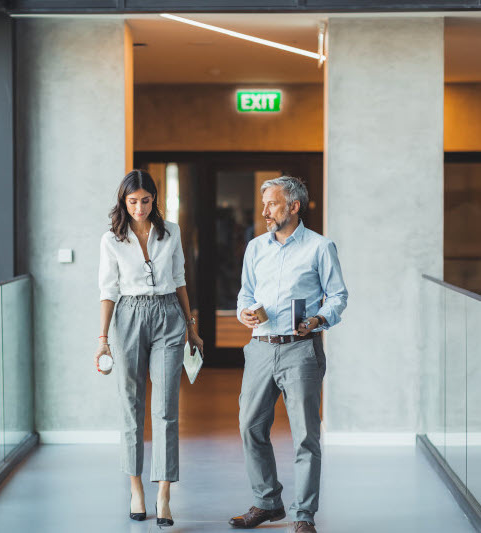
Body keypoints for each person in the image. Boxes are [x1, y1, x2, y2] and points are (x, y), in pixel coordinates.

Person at [229, 176, 348, 533]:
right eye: (263, 203)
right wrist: (244, 312)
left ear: (294, 207)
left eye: (272, 204)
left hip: (301, 350)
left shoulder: (320, 247)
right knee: (250, 426)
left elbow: (339, 296)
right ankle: (267, 503)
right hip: (260, 348)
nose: (264, 211)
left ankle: (304, 515)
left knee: (305, 436)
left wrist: (317, 319)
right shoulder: (255, 248)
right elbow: (245, 293)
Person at [95, 169, 203, 528]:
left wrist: (191, 327)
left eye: (145, 200)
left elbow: (181, 279)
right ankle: (136, 489)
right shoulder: (112, 239)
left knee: (166, 408)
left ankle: (164, 494)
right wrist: (102, 339)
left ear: (154, 199)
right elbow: (108, 291)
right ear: (123, 203)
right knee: (131, 405)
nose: (139, 207)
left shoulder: (170, 231)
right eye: (132, 201)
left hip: (169, 313)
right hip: (128, 315)